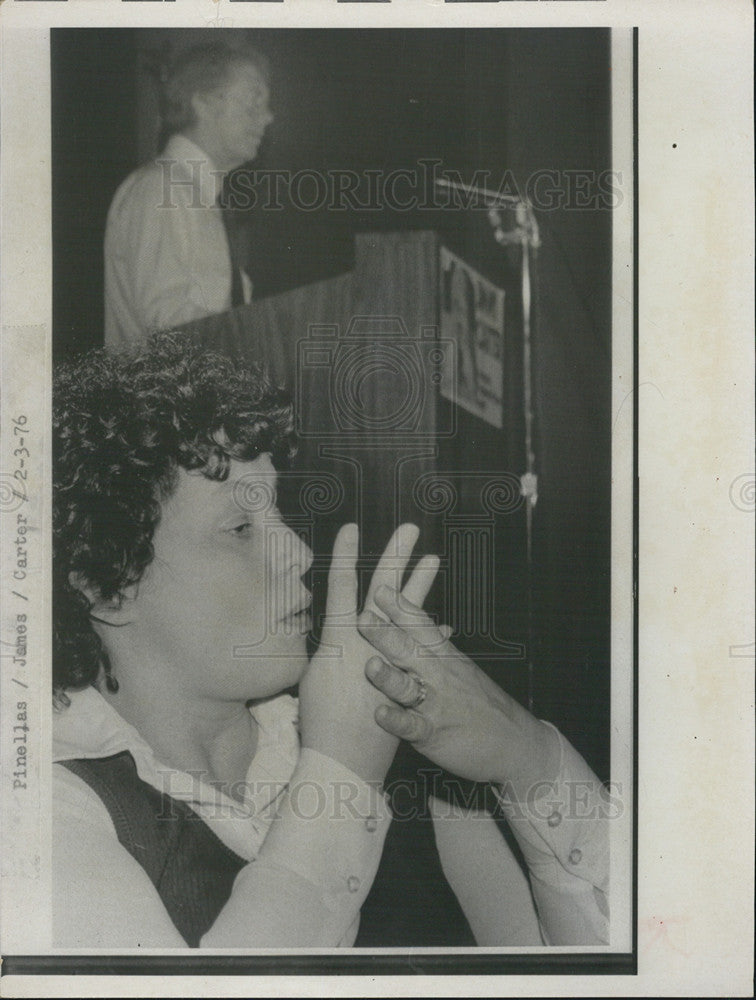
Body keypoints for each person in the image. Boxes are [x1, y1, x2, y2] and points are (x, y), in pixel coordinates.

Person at [53, 332, 610, 948]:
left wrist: (529, 759)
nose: (297, 550)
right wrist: (342, 772)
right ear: (109, 586)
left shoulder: (405, 758)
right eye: (241, 528)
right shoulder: (53, 813)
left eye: (279, 514)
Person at [104, 42, 272, 350]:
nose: (268, 118)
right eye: (253, 103)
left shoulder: (198, 195)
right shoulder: (160, 190)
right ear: (203, 103)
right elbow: (167, 325)